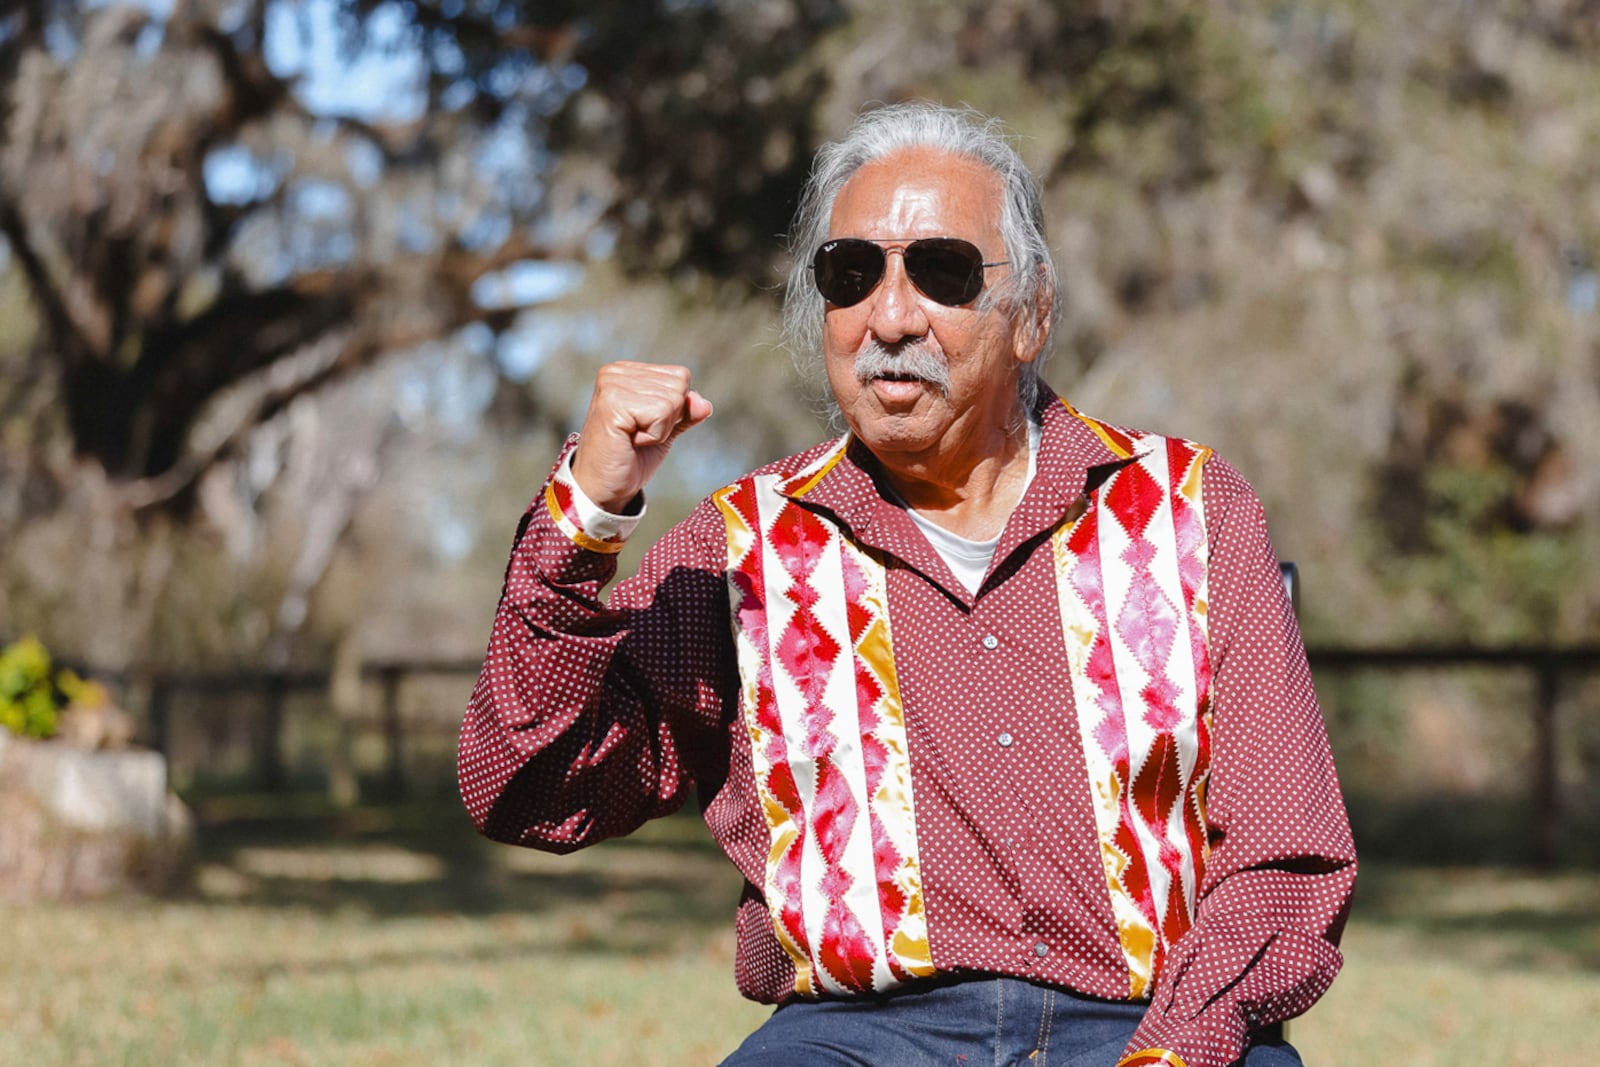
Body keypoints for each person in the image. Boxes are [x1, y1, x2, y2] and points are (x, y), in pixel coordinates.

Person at [458, 102, 1356, 1067]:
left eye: (943, 271)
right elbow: (523, 785)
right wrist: (588, 510)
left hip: (1155, 1023)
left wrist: (1181, 1048)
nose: (890, 315)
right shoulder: (744, 547)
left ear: (1033, 315)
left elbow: (1285, 855)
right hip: (853, 1036)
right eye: (853, 275)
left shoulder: (1190, 507)